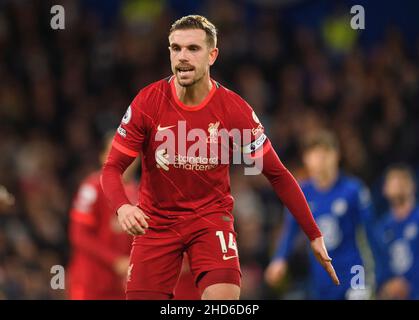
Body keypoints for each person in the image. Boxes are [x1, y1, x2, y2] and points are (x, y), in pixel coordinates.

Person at [101, 15, 338, 300]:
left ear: (212, 55)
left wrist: (313, 233)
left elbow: (277, 174)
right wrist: (123, 208)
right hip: (157, 223)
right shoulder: (148, 101)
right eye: (176, 49)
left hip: (210, 221)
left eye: (193, 48)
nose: (183, 57)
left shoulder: (233, 110)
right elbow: (112, 167)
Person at [265, 130, 374, 299]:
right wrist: (279, 259)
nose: (321, 159)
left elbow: (370, 232)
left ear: (336, 155)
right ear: (306, 159)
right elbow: (290, 230)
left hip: (354, 272)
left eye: (326, 153)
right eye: (315, 153)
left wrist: (376, 270)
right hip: (321, 277)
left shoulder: (353, 190)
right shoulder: (302, 193)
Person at [67, 133, 138, 299]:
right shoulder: (91, 188)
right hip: (90, 283)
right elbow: (78, 235)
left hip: (119, 286)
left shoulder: (139, 193)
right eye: (115, 152)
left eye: (132, 153)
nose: (125, 159)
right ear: (103, 156)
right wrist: (115, 260)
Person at [375, 164, 419, 299]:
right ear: (384, 189)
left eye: (402, 179)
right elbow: (379, 266)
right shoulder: (381, 228)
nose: (397, 183)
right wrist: (387, 287)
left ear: (413, 185)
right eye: (392, 180)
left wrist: (411, 284)